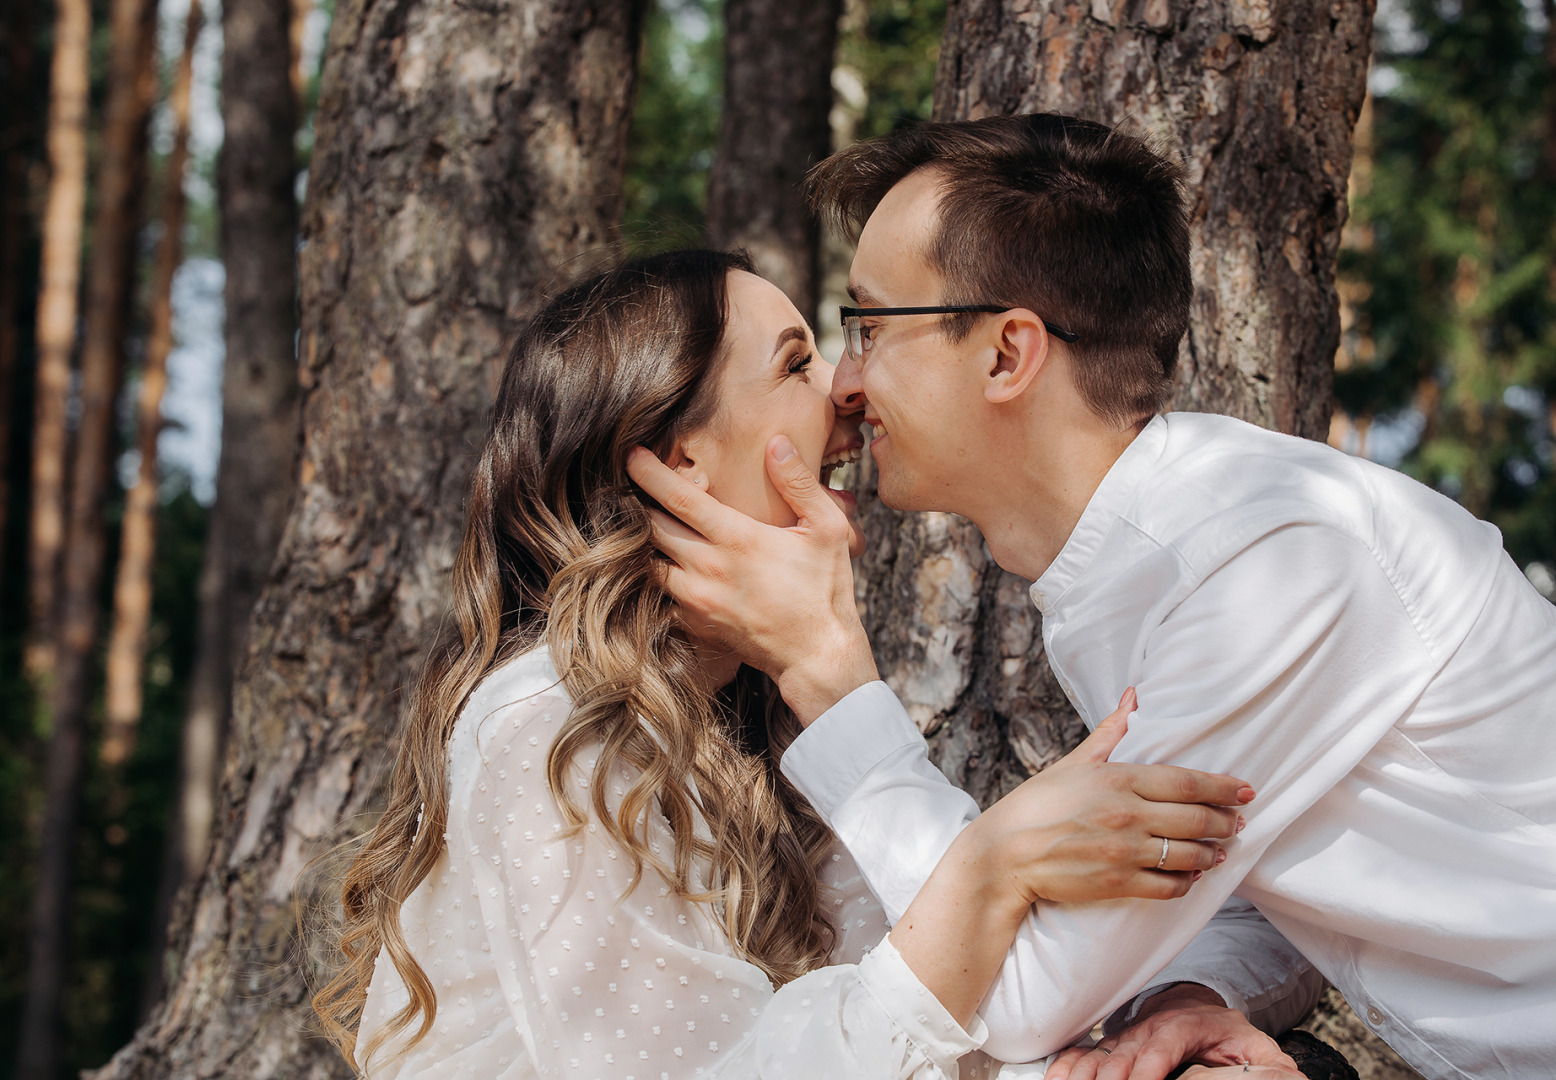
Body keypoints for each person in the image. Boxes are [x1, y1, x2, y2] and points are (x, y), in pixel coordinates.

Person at [628, 115, 1556, 1080]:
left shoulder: (1260, 566)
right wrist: (1184, 993)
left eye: (868, 327)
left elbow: (1013, 998)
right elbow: (1265, 873)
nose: (847, 384)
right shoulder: (1140, 560)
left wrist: (825, 671)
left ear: (1006, 355)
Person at [311, 250, 1267, 1080]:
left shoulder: (754, 718)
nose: (846, 392)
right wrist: (987, 871)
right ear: (681, 463)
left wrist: (1156, 1030)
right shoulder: (548, 726)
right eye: (797, 363)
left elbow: (937, 1029)